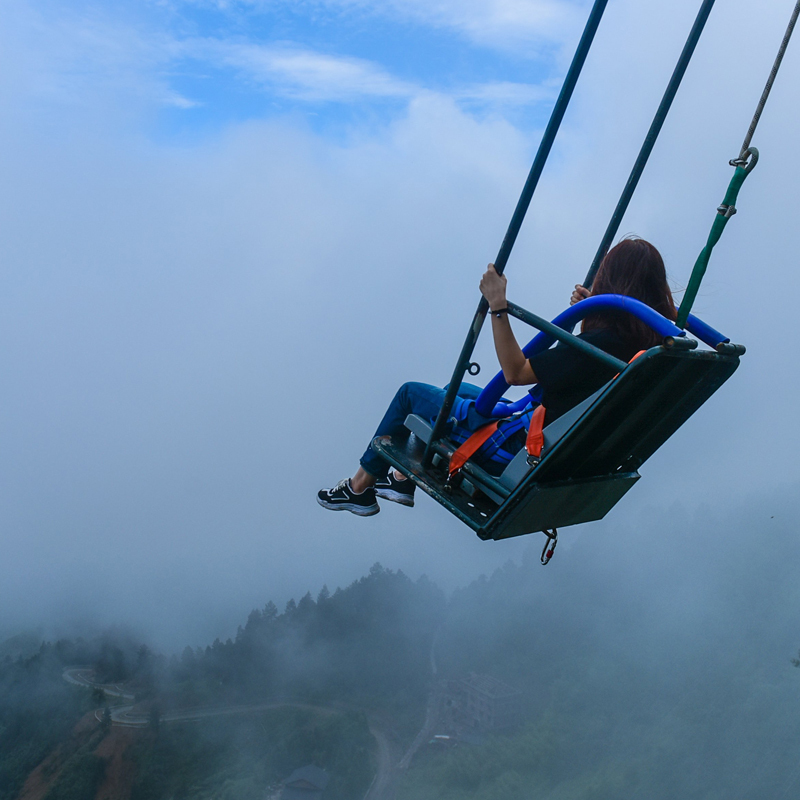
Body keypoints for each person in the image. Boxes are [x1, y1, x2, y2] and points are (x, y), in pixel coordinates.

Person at [317, 236, 677, 516]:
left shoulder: (600, 345)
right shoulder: (642, 347)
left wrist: (497, 305)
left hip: (518, 452)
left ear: (612, 284)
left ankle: (359, 487)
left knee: (411, 394)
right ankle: (398, 479)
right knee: (452, 390)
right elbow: (578, 375)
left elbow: (516, 371)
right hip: (558, 450)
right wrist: (592, 310)